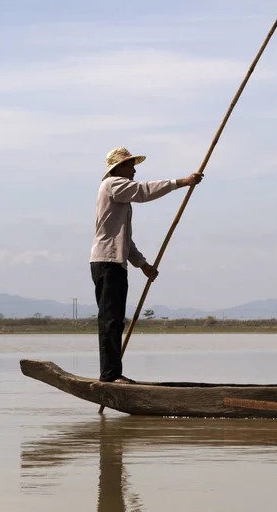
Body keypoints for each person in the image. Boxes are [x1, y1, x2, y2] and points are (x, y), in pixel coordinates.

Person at [90, 146, 203, 384]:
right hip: (106, 262)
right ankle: (110, 376)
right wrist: (181, 182)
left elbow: (124, 240)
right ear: (118, 167)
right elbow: (144, 191)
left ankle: (112, 373)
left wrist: (142, 264)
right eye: (130, 165)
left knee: (116, 320)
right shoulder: (113, 185)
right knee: (110, 320)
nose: (133, 170)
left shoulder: (120, 197)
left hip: (115, 262)